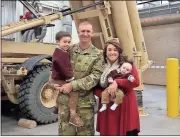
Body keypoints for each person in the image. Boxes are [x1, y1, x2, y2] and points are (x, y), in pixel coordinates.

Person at [54, 21, 104, 136]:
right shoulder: (68, 50)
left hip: (85, 104)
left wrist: (72, 85)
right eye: (82, 31)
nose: (85, 34)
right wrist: (54, 83)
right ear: (78, 33)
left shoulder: (98, 54)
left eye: (88, 31)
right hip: (65, 102)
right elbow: (56, 65)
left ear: (92, 33)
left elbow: (95, 77)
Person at [95, 40, 140, 136]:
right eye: (109, 50)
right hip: (106, 106)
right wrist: (105, 96)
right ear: (105, 52)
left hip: (124, 105)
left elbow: (136, 82)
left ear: (119, 52)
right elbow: (95, 88)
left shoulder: (127, 65)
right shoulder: (100, 67)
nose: (112, 52)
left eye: (115, 50)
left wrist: (117, 82)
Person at [50, 31, 84, 127]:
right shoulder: (62, 54)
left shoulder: (58, 51)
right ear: (57, 41)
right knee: (74, 94)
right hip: (61, 78)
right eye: (64, 42)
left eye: (69, 42)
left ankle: (56, 108)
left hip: (56, 78)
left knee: (59, 92)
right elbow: (65, 68)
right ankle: (73, 116)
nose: (67, 44)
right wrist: (71, 79)